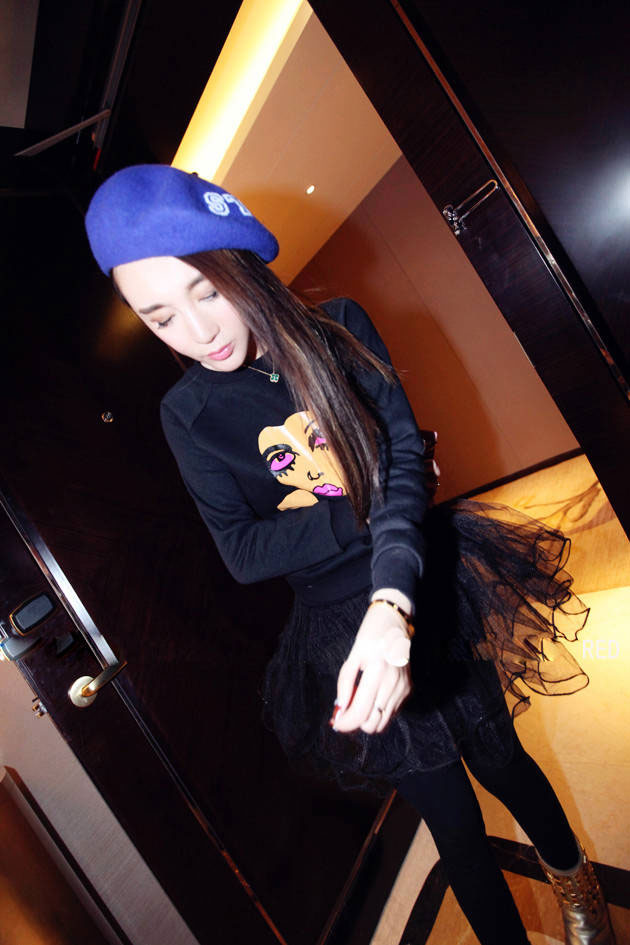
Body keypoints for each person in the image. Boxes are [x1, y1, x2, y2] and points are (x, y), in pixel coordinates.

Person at [85, 164, 615, 945]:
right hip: (337, 628)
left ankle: (579, 887)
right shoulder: (187, 414)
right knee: (454, 823)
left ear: (238, 261)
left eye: (206, 291)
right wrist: (364, 499)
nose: (198, 333)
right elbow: (244, 550)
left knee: (502, 761)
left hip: (422, 580)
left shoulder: (337, 328)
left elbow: (404, 459)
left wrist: (391, 589)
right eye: (161, 317)